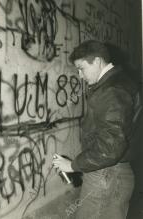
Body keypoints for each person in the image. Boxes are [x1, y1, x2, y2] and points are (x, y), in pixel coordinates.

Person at [52, 40, 139, 219]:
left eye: (81, 68)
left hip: (106, 175)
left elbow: (110, 147)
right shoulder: (122, 82)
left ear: (98, 61)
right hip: (114, 174)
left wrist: (73, 165)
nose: (80, 75)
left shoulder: (111, 90)